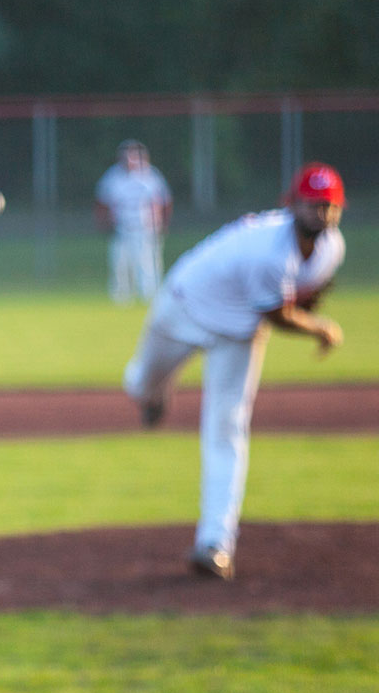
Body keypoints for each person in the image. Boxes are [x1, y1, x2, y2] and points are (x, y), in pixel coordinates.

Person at [121, 163, 348, 580]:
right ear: (290, 204)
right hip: (185, 306)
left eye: (329, 206)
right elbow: (278, 314)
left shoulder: (333, 249)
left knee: (227, 430)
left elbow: (301, 292)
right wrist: (320, 329)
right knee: (140, 383)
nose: (321, 213)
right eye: (312, 204)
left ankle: (216, 544)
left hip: (238, 332)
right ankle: (152, 396)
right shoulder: (269, 252)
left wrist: (305, 303)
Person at [95, 139, 173, 305]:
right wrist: (104, 223)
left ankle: (149, 296)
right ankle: (121, 298)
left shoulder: (151, 176)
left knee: (147, 264)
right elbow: (103, 201)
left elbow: (164, 200)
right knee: (120, 265)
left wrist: (163, 223)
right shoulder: (113, 177)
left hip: (146, 229)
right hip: (122, 229)